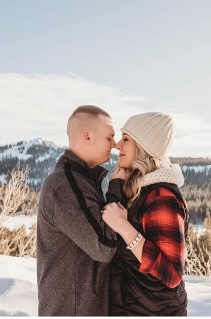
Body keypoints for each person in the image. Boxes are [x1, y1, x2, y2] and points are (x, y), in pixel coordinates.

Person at [102, 112, 188, 315]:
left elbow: (172, 274)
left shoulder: (161, 196)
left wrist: (125, 228)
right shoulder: (138, 190)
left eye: (125, 139)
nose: (117, 145)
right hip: (131, 306)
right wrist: (117, 187)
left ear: (143, 147)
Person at [37, 105, 119, 316]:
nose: (115, 144)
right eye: (109, 137)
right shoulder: (65, 185)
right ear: (87, 136)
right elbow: (104, 247)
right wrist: (118, 193)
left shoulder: (82, 181)